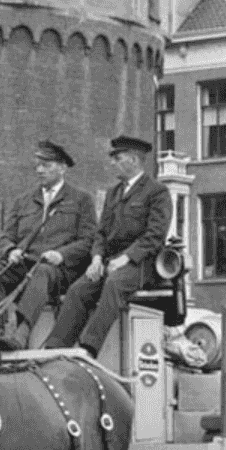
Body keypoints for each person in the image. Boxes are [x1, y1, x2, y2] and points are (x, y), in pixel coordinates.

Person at [47, 134, 174, 359]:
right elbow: (101, 233)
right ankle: (55, 348)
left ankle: (88, 348)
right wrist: (96, 258)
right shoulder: (113, 193)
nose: (112, 162)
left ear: (133, 160)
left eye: (117, 158)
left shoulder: (157, 192)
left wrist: (125, 258)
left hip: (140, 264)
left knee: (114, 284)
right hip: (109, 261)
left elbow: (155, 236)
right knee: (79, 289)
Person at [0, 140, 96, 350]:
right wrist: (11, 250)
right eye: (38, 165)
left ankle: (21, 334)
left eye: (46, 165)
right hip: (23, 266)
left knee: (42, 272)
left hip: (58, 271)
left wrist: (61, 254)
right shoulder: (23, 201)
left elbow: (88, 241)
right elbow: (4, 237)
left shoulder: (81, 200)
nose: (40, 170)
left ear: (63, 168)